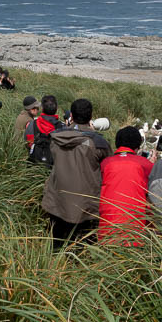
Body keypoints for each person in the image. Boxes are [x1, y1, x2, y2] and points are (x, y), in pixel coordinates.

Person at [41, 98, 111, 248]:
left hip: (57, 199)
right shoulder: (98, 143)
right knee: (80, 246)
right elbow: (108, 167)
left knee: (56, 243)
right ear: (91, 116)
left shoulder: (56, 137)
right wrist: (91, 131)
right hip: (85, 205)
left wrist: (70, 128)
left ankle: (53, 266)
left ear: (71, 115)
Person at [98, 126, 154, 245]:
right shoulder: (145, 164)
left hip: (106, 232)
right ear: (137, 146)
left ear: (117, 143)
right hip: (135, 235)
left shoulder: (105, 163)